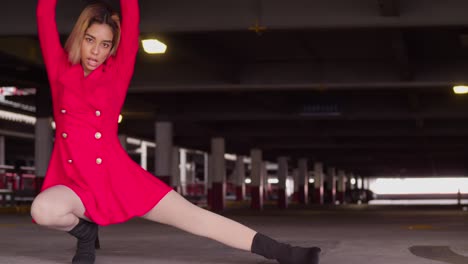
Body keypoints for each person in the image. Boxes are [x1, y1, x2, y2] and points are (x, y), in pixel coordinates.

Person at [31, 0, 322, 263]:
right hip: (74, 180)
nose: (96, 51)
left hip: (115, 176)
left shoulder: (117, 75)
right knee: (43, 211)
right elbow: (44, 12)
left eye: (105, 44)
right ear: (79, 38)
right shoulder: (59, 70)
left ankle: (285, 252)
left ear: (113, 48)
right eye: (90, 40)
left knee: (195, 218)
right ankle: (84, 233)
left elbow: (131, 16)